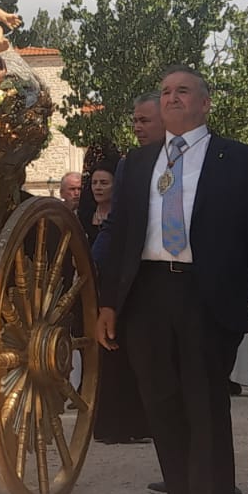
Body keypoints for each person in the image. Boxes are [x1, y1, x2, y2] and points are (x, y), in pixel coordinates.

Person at [94, 66, 248, 494]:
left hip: (206, 295)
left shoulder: (239, 160)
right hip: (147, 296)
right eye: (165, 93)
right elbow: (119, 237)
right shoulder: (137, 164)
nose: (172, 99)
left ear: (204, 103)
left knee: (205, 409)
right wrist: (108, 303)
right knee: (162, 407)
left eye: (183, 91)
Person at [80, 160, 148, 446]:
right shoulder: (84, 215)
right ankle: (106, 423)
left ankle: (133, 422)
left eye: (104, 182)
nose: (98, 187)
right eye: (94, 183)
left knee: (123, 353)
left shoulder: (122, 216)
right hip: (92, 288)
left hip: (121, 285)